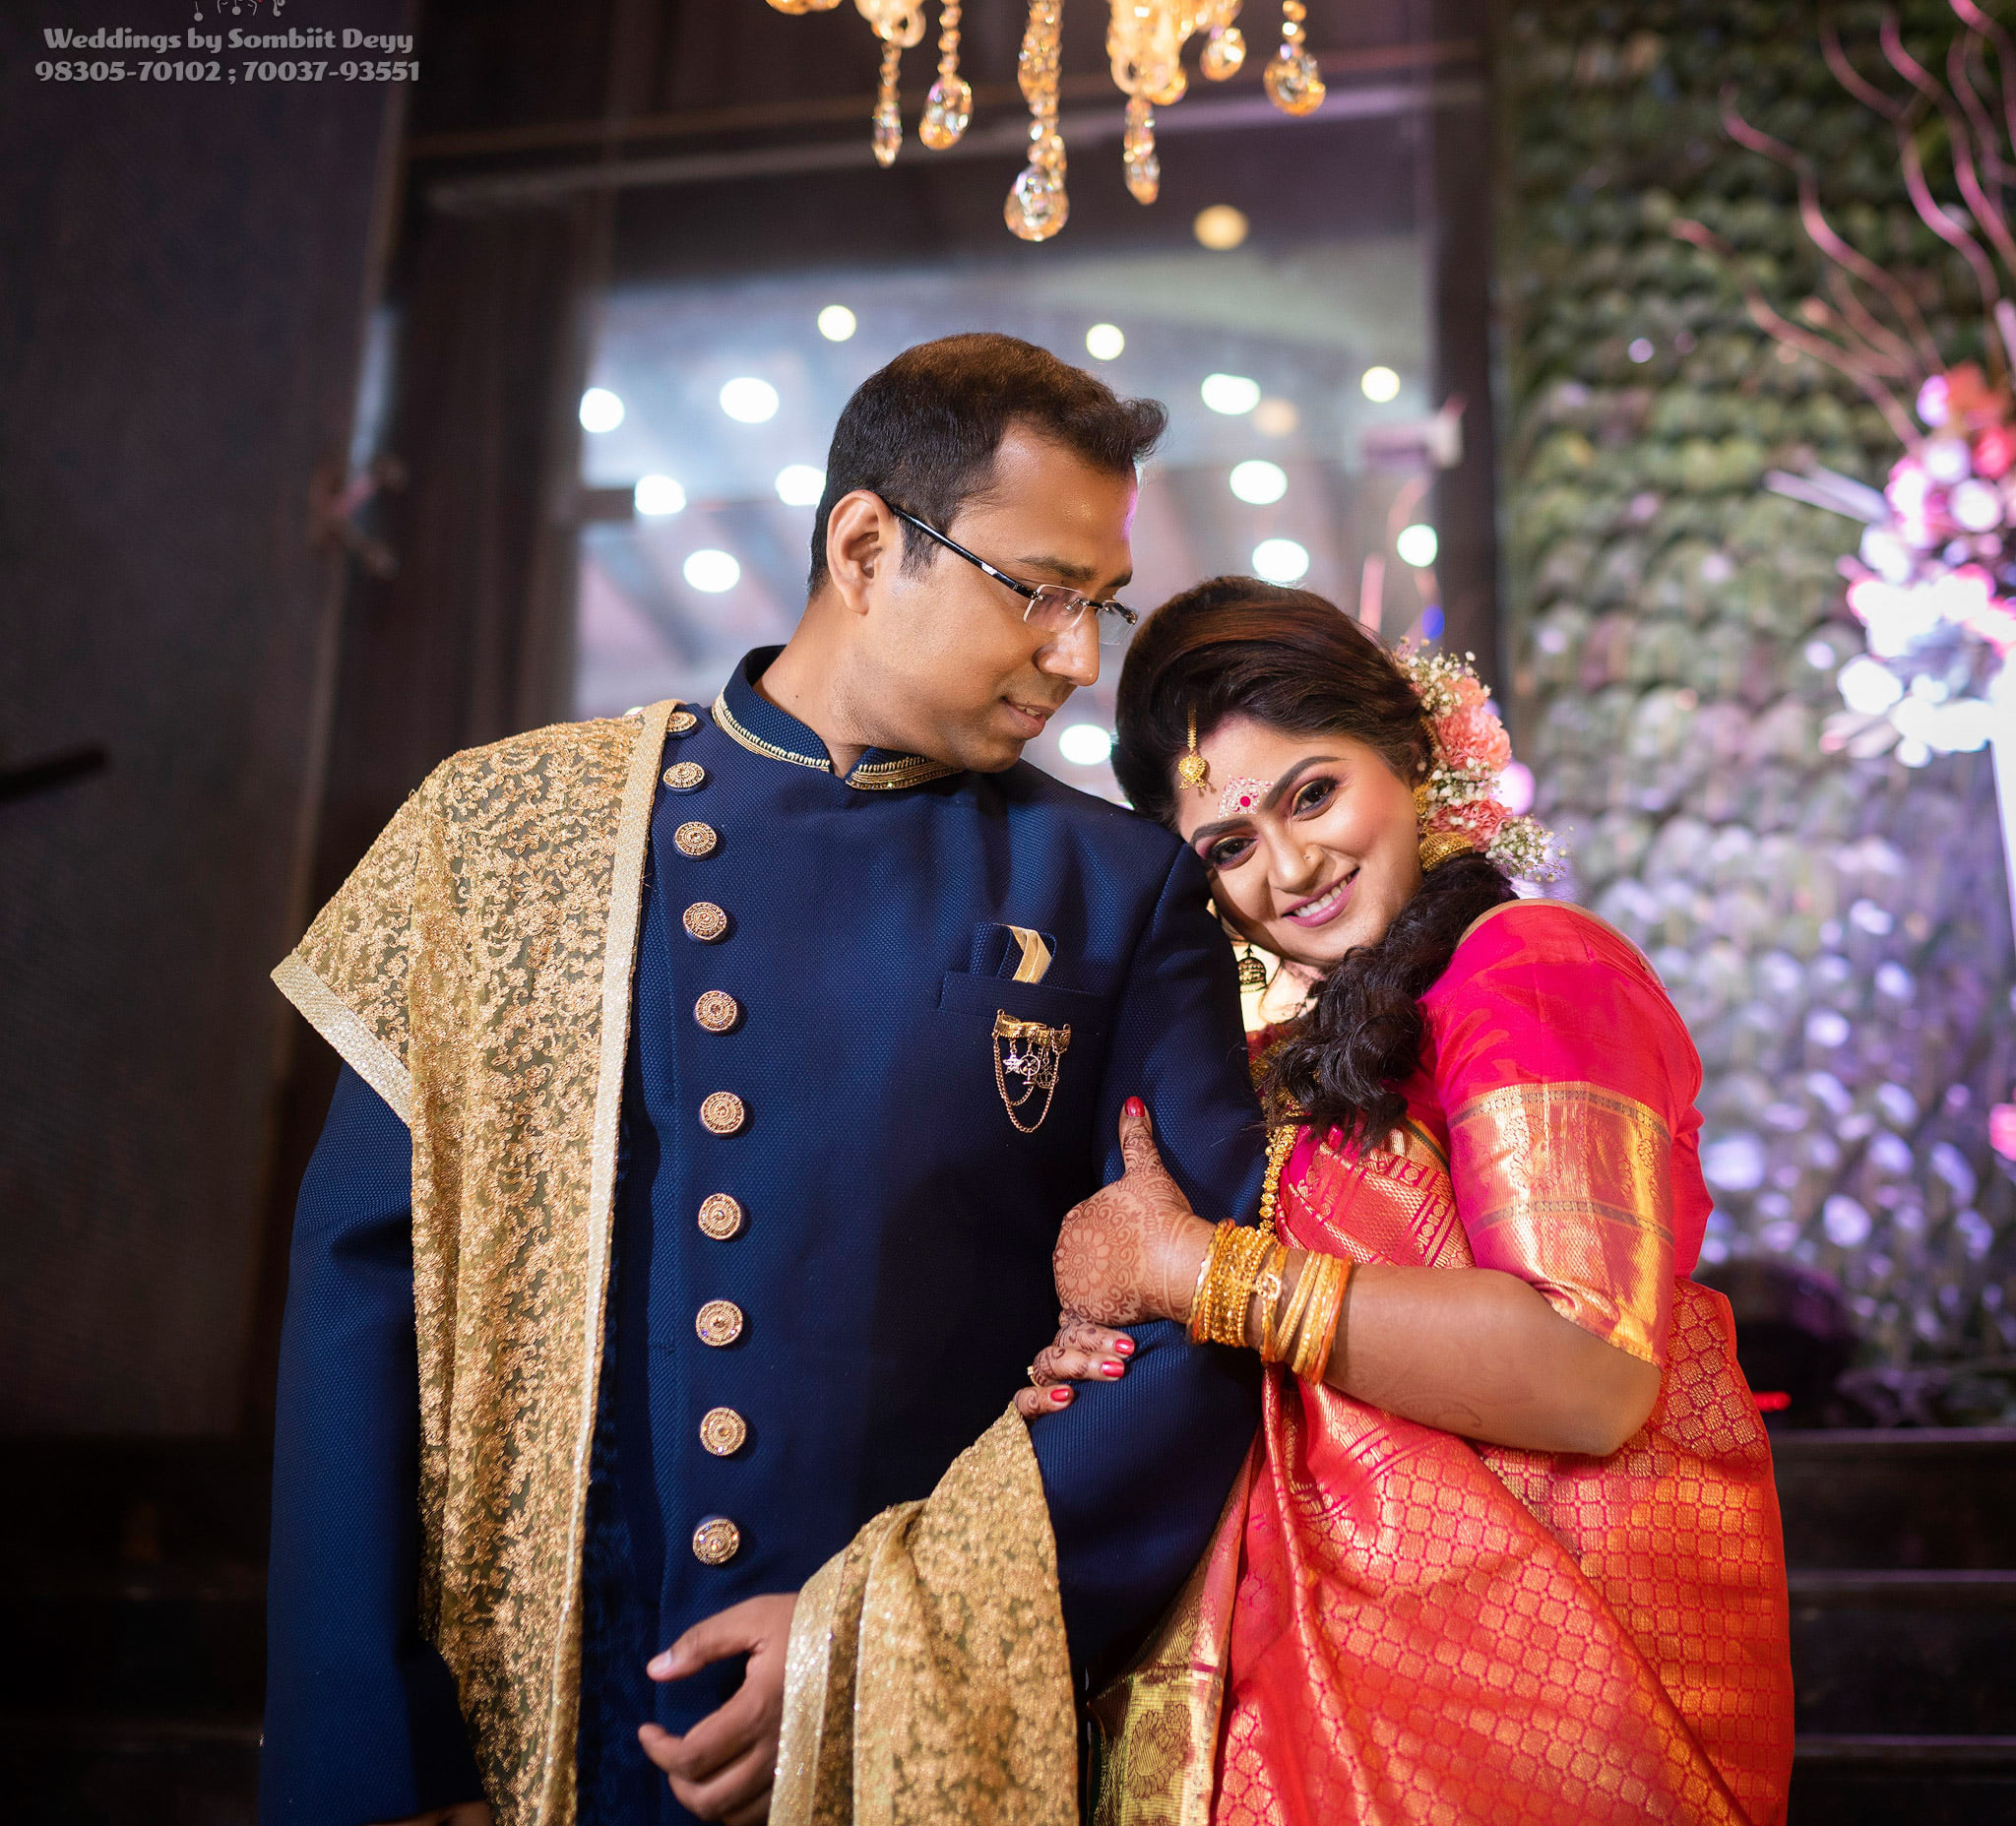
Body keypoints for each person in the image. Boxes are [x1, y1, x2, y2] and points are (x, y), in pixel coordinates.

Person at [261, 336, 1269, 1826]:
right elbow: (366, 1296)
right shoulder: (508, 832)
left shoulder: (1111, 886)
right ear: (868, 545)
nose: (1076, 656)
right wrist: (377, 1760)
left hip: (892, 1741)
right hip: (550, 1726)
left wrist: (873, 1638)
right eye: (1042, 592)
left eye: (1098, 607)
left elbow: (1205, 1326)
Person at [1021, 579, 1796, 1826]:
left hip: (1524, 1713)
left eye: (1312, 792)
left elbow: (1583, 1367)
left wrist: (1196, 1274)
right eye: (1227, 845)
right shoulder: (1294, 1051)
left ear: (1409, 751)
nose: (1288, 866)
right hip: (1322, 1695)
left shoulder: (1531, 967)